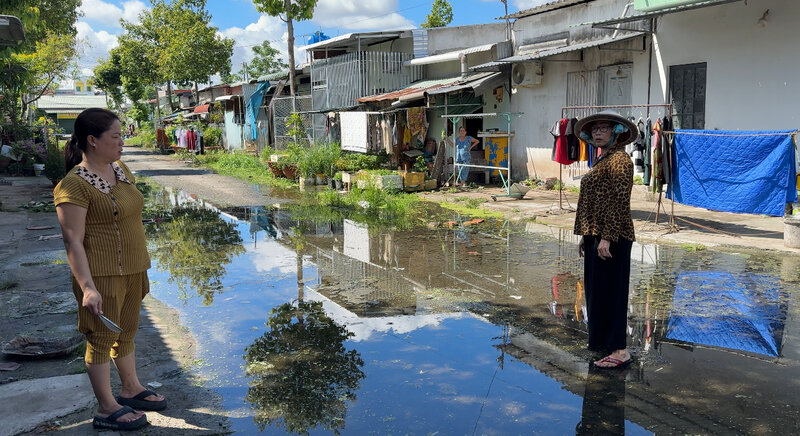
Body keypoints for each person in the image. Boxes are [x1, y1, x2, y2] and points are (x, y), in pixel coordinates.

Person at [53, 108, 166, 431]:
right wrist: (87, 287)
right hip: (101, 276)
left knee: (127, 332)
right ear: (92, 140)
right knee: (101, 338)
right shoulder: (72, 186)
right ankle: (105, 408)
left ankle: (131, 388)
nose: (122, 142)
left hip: (134, 269)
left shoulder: (120, 170)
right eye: (115, 137)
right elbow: (72, 241)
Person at [573, 110, 638, 369]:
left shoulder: (620, 161)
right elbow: (596, 201)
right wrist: (587, 236)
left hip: (613, 236)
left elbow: (619, 203)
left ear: (616, 134)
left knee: (612, 293)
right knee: (597, 292)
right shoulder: (603, 160)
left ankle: (620, 350)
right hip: (596, 235)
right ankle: (602, 343)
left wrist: (607, 238)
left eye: (604, 128)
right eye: (596, 129)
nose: (598, 133)